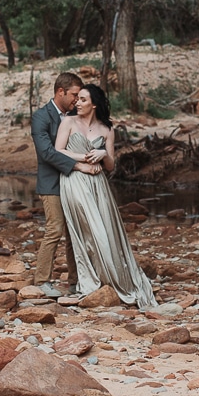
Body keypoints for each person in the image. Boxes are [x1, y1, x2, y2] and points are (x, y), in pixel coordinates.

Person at [54, 80, 157, 310]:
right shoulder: (68, 121)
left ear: (94, 105)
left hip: (99, 184)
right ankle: (91, 280)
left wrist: (102, 154)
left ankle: (110, 279)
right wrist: (85, 158)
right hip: (74, 180)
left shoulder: (107, 129)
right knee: (91, 230)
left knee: (108, 231)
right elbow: (58, 151)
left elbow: (110, 166)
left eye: (83, 100)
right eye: (77, 98)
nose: (77, 103)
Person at [30, 71, 87, 296]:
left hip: (75, 183)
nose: (76, 99)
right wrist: (77, 165)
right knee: (55, 229)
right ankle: (42, 280)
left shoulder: (77, 115)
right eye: (73, 94)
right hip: (51, 183)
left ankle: (76, 281)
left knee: (75, 232)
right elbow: (45, 152)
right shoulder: (41, 117)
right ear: (60, 92)